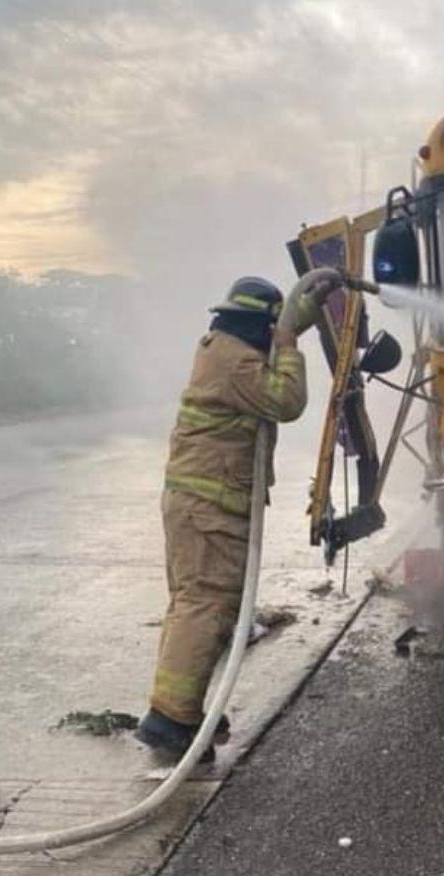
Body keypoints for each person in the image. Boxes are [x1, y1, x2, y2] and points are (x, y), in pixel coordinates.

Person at [136, 274, 334, 762]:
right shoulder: (234, 361)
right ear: (259, 327)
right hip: (210, 507)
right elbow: (287, 400)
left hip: (202, 504)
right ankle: (171, 720)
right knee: (205, 605)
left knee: (196, 604)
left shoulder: (225, 350)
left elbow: (266, 378)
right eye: (271, 330)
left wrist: (291, 328)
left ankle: (180, 707)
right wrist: (288, 338)